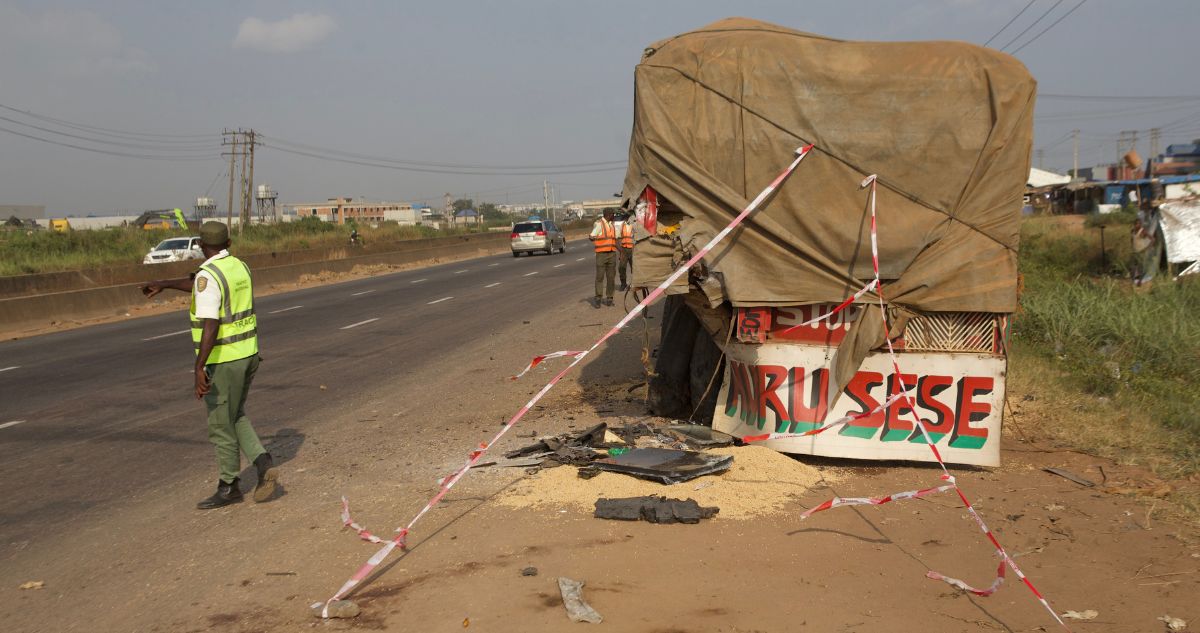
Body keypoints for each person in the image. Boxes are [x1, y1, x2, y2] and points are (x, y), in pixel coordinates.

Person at [141, 221, 279, 509]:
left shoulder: (208, 276)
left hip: (224, 360)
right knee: (235, 414)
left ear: (201, 246)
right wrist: (165, 284)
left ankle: (229, 486)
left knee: (219, 423)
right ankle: (263, 461)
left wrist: (198, 367)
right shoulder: (239, 267)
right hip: (249, 354)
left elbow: (211, 323)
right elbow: (199, 284)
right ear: (228, 244)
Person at [589, 209, 618, 307]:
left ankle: (609, 298)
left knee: (611, 278)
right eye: (613, 214)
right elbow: (591, 235)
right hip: (601, 255)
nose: (614, 216)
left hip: (612, 254)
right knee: (600, 277)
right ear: (609, 215)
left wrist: (621, 252)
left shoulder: (611, 225)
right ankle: (598, 298)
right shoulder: (599, 224)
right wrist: (592, 237)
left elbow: (614, 240)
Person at [616, 212, 634, 291]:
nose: (626, 218)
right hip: (624, 249)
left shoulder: (634, 224)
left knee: (634, 268)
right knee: (621, 267)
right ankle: (623, 284)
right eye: (625, 217)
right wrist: (620, 250)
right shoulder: (622, 225)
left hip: (633, 249)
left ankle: (634, 284)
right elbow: (617, 238)